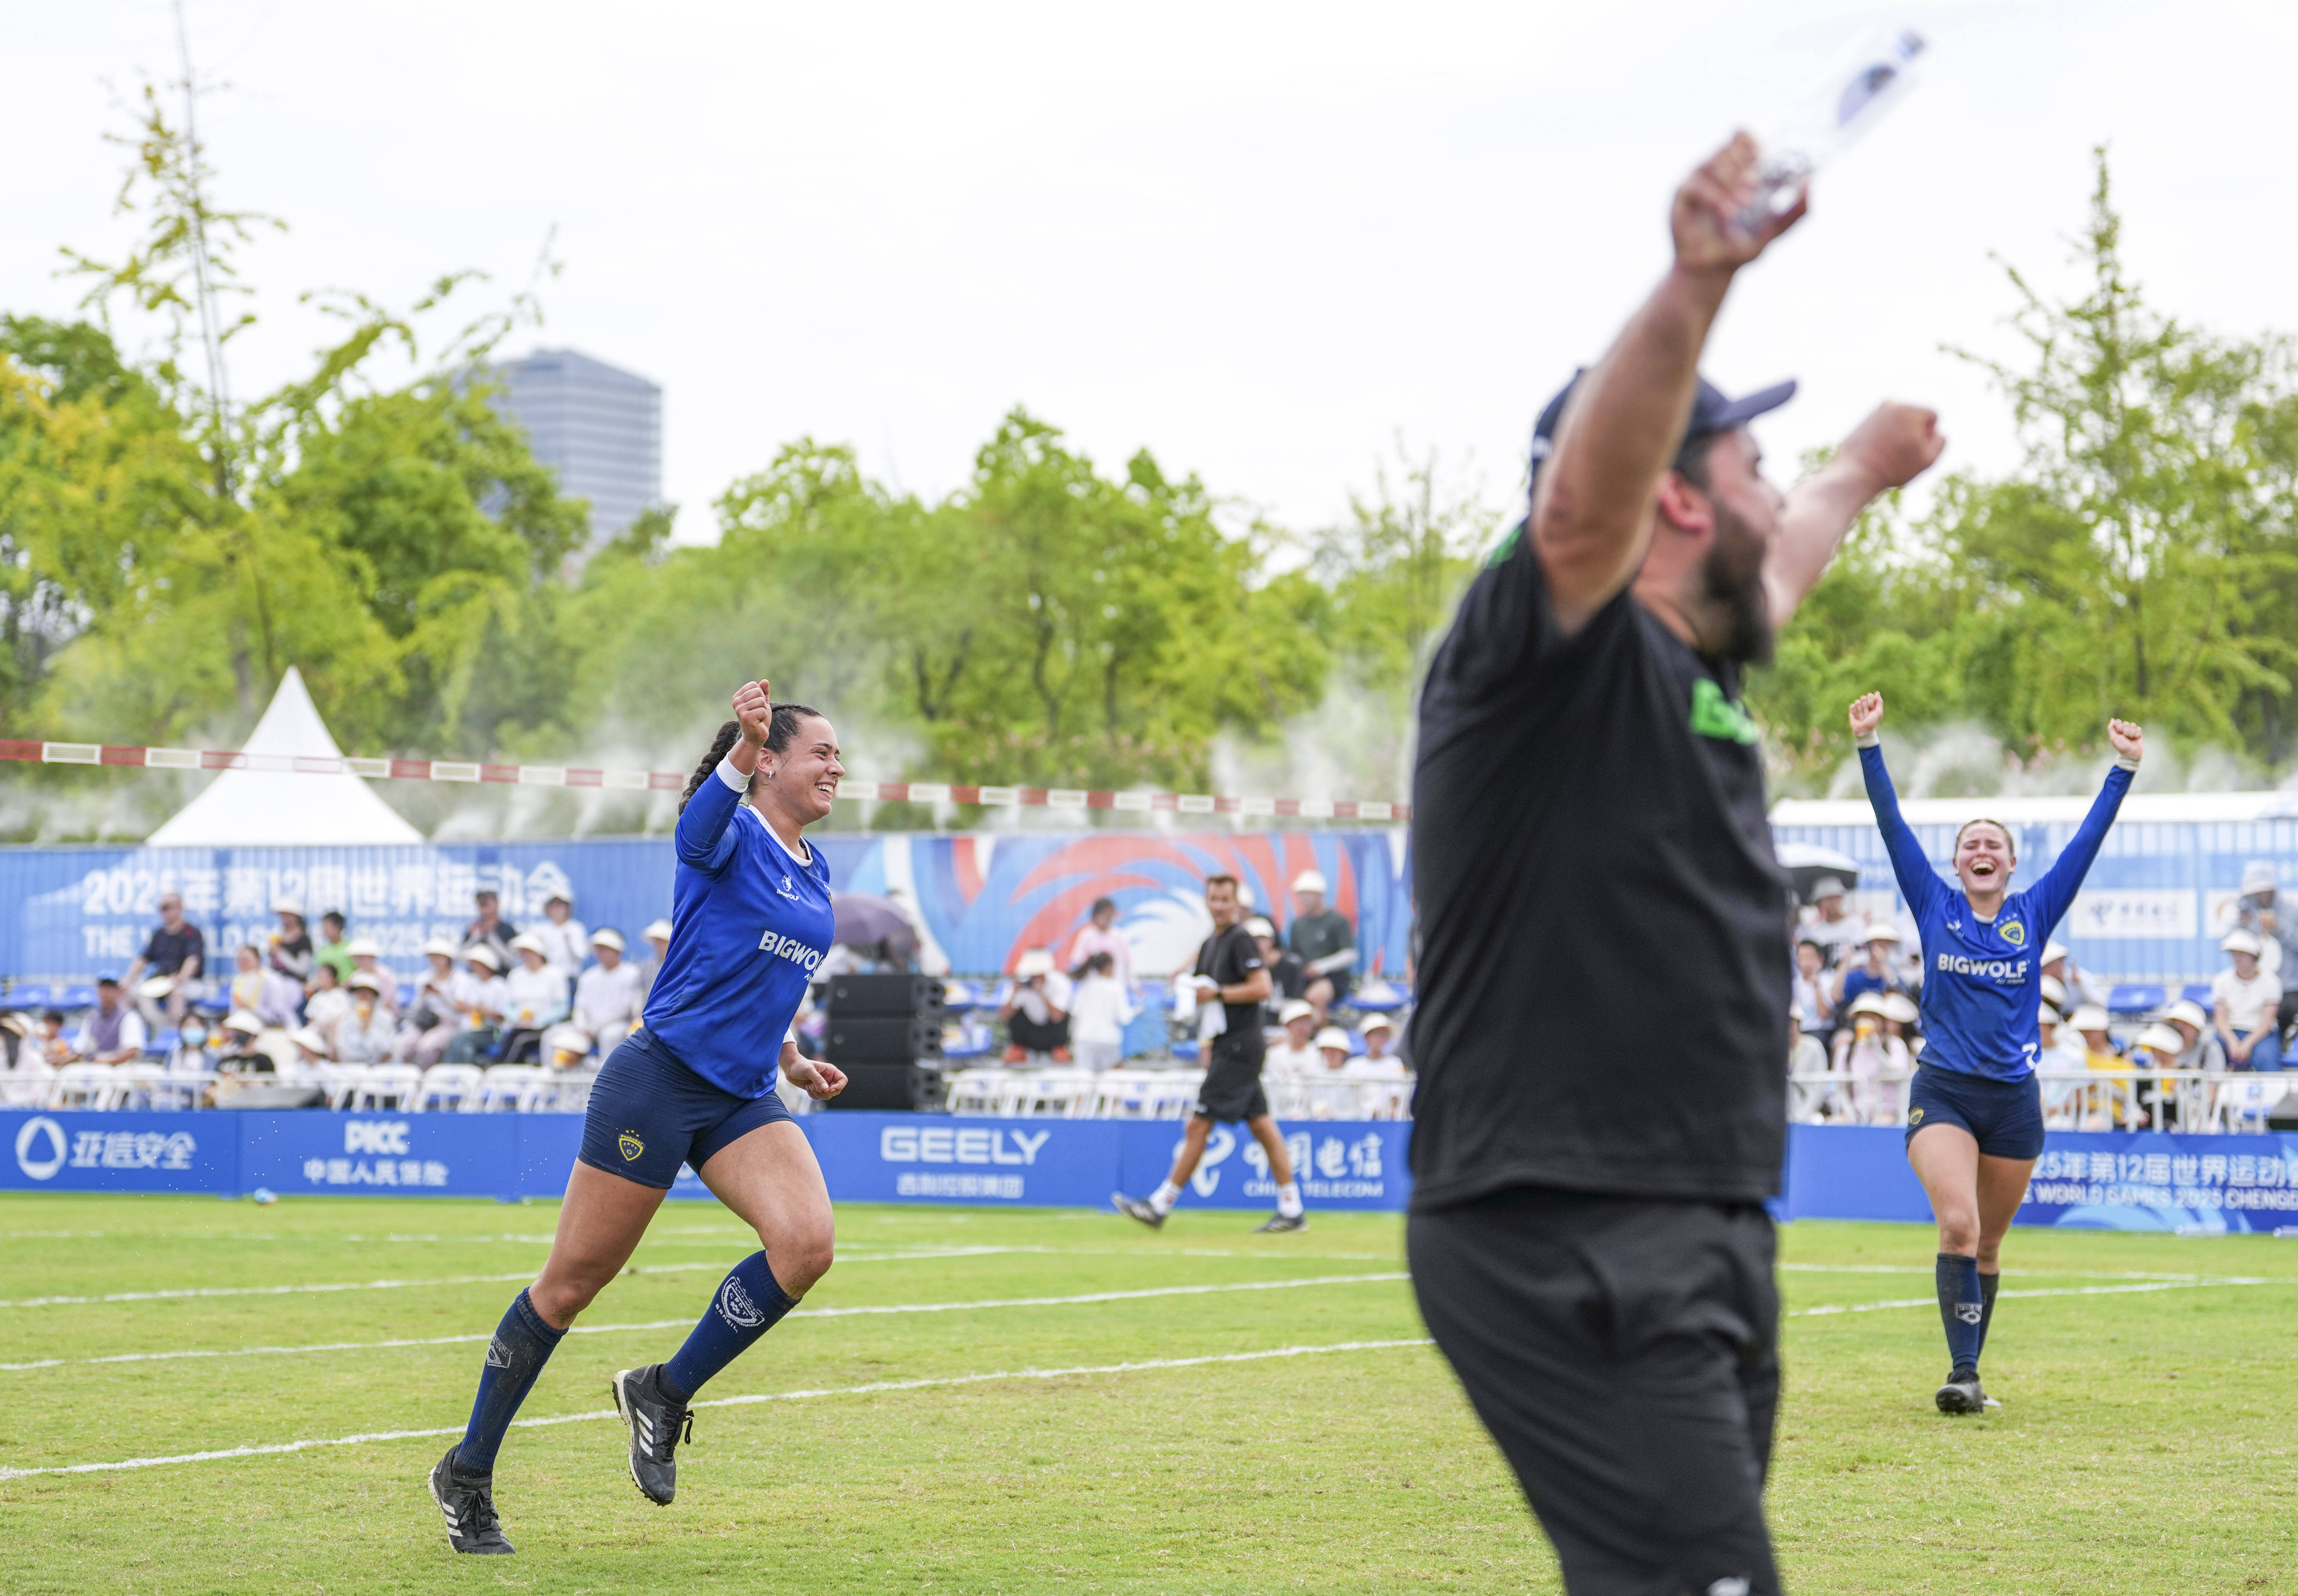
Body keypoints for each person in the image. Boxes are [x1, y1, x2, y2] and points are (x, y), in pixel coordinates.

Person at [1404, 134, 1946, 1596]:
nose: (1779, 496)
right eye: (1753, 464)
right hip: (1559, 1222)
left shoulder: (1692, 659)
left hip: (1694, 1217)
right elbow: (1583, 511)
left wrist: (1857, 467)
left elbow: (1783, 562)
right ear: (1682, 501)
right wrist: (1697, 281)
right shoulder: (1532, 654)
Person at [427, 680, 849, 1555]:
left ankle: (662, 1390)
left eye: (840, 756)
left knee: (806, 1247)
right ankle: (467, 1471)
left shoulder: (817, 869)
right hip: (656, 1082)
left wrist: (793, 1060)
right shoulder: (726, 832)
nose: (837, 767)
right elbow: (690, 828)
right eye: (821, 752)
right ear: (768, 760)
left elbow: (766, 981)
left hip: (740, 1094)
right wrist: (740, 742)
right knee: (571, 1287)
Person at [1851, 688, 2140, 1413]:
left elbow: (2086, 843)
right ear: (1956, 864)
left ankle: (1971, 1371)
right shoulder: (1934, 904)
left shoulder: (2034, 912)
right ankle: (1962, 1374)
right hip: (1944, 1090)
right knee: (1959, 1223)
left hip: (2015, 1102)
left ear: (2010, 866)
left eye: (1993, 846)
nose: (1981, 851)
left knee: (1986, 1247)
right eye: (1970, 844)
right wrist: (1868, 747)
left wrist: (2123, 769)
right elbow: (1890, 826)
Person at [1114, 873, 1306, 1233]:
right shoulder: (1210, 944)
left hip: (1240, 1046)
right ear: (1206, 901)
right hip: (1226, 1043)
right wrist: (1202, 1028)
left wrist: (1217, 993)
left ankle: (1160, 1204)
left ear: (1236, 903)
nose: (1219, 906)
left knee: (1198, 1123)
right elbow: (1201, 988)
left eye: (1225, 900)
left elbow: (1261, 987)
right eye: (1214, 899)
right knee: (1263, 1127)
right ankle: (1292, 1209)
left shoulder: (1241, 940)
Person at [121, 891, 206, 1028]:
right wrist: (128, 980)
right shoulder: (159, 934)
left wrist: (180, 979)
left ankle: (175, 1031)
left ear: (179, 908)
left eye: (167, 907)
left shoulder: (192, 933)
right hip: (162, 982)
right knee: (128, 993)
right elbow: (143, 959)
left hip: (189, 983)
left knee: (177, 994)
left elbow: (193, 961)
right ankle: (147, 1032)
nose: (164, 912)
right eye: (161, 908)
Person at [1286, 870, 1358, 1019]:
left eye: (1307, 894)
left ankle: (1321, 1034)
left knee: (1315, 997)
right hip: (1304, 978)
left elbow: (1350, 954)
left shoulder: (1337, 920)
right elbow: (1294, 955)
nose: (1302, 899)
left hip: (1334, 979)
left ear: (1320, 895)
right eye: (1300, 895)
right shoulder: (1298, 925)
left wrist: (1322, 967)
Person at [2212, 929, 2284, 1074]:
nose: (2237, 959)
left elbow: (2267, 1022)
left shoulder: (2271, 982)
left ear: (2254, 957)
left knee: (2267, 1060)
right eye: (2234, 954)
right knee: (2212, 1054)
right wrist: (2232, 1042)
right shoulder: (2222, 981)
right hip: (2230, 1032)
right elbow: (2220, 1019)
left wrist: (2247, 1044)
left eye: (2242, 955)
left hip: (2262, 1035)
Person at [570, 929, 645, 1059]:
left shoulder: (632, 974)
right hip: (588, 1028)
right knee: (555, 1035)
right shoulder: (588, 977)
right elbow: (580, 1008)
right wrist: (582, 1027)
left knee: (610, 1035)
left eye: (605, 949)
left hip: (619, 1025)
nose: (601, 954)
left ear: (618, 951)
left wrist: (596, 1027)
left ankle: (605, 1078)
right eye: (599, 949)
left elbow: (626, 1008)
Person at [499, 933, 572, 1065]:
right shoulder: (516, 975)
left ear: (539, 953)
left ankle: (501, 1071)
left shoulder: (555, 975)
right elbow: (507, 1006)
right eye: (523, 952)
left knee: (520, 1040)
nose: (526, 956)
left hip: (547, 1028)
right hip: (519, 1025)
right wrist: (518, 1018)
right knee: (515, 1036)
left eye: (530, 952)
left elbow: (563, 1009)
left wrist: (538, 1020)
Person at [397, 938, 467, 1067]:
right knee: (403, 1045)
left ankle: (426, 1080)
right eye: (432, 957)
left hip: (450, 1023)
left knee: (426, 1048)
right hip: (426, 1022)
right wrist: (423, 996)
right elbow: (415, 1007)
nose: (435, 960)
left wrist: (440, 994)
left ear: (448, 958)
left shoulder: (460, 978)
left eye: (439, 957)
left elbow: (459, 1008)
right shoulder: (424, 978)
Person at [1066, 951, 1137, 1072]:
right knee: (1110, 1085)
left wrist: (1072, 1044)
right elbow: (1125, 1017)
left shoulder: (1086, 986)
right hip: (1108, 1040)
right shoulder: (1116, 987)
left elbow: (1076, 1014)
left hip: (1085, 1039)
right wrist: (1138, 1010)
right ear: (1109, 967)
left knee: (1083, 1083)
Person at [997, 949, 1072, 1063]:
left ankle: (1060, 1050)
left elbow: (1058, 1017)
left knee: (1063, 1014)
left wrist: (1041, 994)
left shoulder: (1060, 983)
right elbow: (1004, 1017)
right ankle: (1018, 1049)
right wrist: (1014, 995)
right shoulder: (1019, 984)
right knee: (1017, 1013)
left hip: (1052, 1033)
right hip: (1028, 1034)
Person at [444, 945, 509, 1065]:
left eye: (476, 963)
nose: (473, 967)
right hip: (470, 1027)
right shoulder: (469, 981)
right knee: (467, 1049)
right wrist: (477, 1009)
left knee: (460, 1038)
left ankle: (452, 1070)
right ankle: (460, 1075)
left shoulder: (499, 985)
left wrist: (488, 1013)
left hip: (492, 1031)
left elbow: (504, 1017)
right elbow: (458, 1005)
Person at [1831, 926, 1905, 1017]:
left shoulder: (1893, 974)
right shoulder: (1855, 976)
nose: (1881, 948)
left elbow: (1900, 999)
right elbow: (1836, 998)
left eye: (1886, 944)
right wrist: (1846, 961)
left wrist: (1882, 964)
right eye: (1877, 944)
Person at [1248, 916, 1308, 1023]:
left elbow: (1297, 1002)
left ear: (1272, 940)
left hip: (1285, 1024)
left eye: (1262, 939)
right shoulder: (1245, 968)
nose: (1258, 944)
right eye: (1253, 939)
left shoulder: (1292, 966)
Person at [74, 977, 147, 1064]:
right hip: (96, 1066)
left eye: (111, 989)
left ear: (119, 992)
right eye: (103, 989)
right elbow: (80, 1050)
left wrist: (108, 1062)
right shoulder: (91, 1018)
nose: (106, 993)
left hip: (122, 1067)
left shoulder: (129, 1017)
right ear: (98, 992)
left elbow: (133, 1051)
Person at [1065, 896, 1133, 990]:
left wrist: (1134, 986)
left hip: (1116, 988)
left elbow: (1128, 964)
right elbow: (1077, 963)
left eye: (1110, 917)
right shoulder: (1086, 936)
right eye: (1104, 916)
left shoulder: (1119, 936)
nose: (1107, 920)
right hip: (1093, 990)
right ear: (1096, 916)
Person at [1799, 876, 1868, 968]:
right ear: (1819, 903)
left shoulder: (1856, 924)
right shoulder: (1814, 932)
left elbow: (1862, 957)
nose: (1833, 902)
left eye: (1836, 898)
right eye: (1828, 899)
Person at [333, 973, 398, 1065]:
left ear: (375, 996)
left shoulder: (386, 1018)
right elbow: (342, 1049)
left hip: (381, 1068)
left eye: (367, 993)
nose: (363, 996)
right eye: (360, 992)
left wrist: (368, 1028)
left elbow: (389, 1049)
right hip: (353, 1068)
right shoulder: (346, 1018)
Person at [1790, 937, 1834, 1050]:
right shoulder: (1794, 983)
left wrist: (1816, 985)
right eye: (1801, 958)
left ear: (1821, 959)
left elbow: (1824, 1014)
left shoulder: (1828, 980)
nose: (1805, 962)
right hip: (1800, 1030)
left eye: (1810, 957)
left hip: (1821, 1031)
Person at [1262, 998, 1322, 1078]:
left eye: (1307, 1023)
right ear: (1287, 1026)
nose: (1304, 1028)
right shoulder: (1274, 1055)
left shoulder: (1319, 1055)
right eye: (1299, 1023)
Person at [533, 890, 590, 974]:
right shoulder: (541, 930)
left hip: (570, 977)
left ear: (567, 909)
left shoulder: (576, 929)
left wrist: (569, 941)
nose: (556, 910)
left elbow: (581, 956)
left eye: (560, 906)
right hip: (548, 978)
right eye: (553, 906)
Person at [2162, 998, 2224, 1074]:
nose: (2180, 1028)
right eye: (2178, 1023)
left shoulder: (2209, 1049)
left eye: (2186, 1024)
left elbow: (2214, 1083)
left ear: (2197, 1029)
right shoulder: (2163, 1048)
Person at [345, 938, 400, 1015]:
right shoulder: (355, 977)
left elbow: (387, 1003)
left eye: (362, 958)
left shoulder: (385, 976)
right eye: (356, 958)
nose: (358, 961)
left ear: (371, 957)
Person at [465, 890, 519, 967]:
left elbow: (512, 961)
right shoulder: (474, 928)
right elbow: (461, 958)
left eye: (487, 902)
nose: (483, 905)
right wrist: (474, 938)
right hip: (475, 977)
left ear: (497, 904)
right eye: (481, 903)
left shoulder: (507, 929)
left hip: (500, 976)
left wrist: (491, 936)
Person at [268, 898, 315, 983]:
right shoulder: (278, 938)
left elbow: (303, 970)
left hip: (295, 985)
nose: (284, 918)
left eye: (288, 915)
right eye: (283, 915)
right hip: (276, 984)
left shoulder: (304, 940)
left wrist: (280, 953)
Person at [637, 919, 674, 1002]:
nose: (659, 946)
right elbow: (639, 991)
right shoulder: (647, 967)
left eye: (663, 941)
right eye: (657, 942)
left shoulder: (680, 965)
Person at [314, 911, 354, 984]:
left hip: (348, 990)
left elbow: (358, 973)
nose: (325, 931)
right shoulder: (323, 950)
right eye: (323, 927)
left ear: (338, 927)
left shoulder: (351, 948)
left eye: (327, 927)